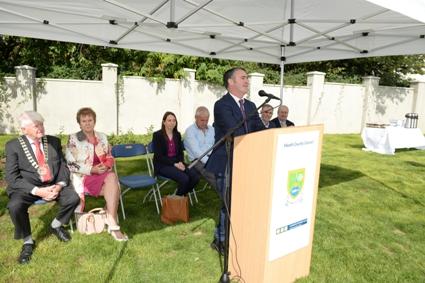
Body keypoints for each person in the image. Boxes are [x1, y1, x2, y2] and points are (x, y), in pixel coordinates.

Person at [5, 111, 80, 264]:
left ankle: (56, 225)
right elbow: (12, 178)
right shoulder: (13, 146)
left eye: (41, 124)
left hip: (52, 184)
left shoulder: (53, 141)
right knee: (14, 206)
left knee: (73, 198)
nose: (41, 128)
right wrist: (38, 191)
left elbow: (63, 168)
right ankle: (27, 242)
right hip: (28, 188)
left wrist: (58, 186)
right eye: (36, 125)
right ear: (24, 130)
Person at [205, 67, 262, 255]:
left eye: (247, 78)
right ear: (231, 82)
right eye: (243, 77)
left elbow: (260, 130)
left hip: (248, 160)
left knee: (243, 202)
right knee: (228, 203)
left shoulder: (252, 106)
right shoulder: (221, 105)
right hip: (226, 161)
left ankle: (240, 235)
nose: (247, 81)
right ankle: (220, 239)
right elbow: (236, 132)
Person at [65, 107, 128, 241]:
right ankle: (113, 224)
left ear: (94, 121)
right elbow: (71, 164)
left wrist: (106, 166)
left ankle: (111, 222)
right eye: (84, 121)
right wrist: (91, 170)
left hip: (103, 174)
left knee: (111, 178)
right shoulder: (74, 139)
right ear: (79, 123)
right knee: (114, 186)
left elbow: (110, 156)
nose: (87, 123)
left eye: (90, 120)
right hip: (84, 176)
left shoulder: (102, 137)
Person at [152, 111, 200, 196]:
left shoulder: (177, 135)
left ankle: (179, 196)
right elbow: (159, 156)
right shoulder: (157, 135)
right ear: (164, 122)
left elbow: (180, 153)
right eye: (169, 120)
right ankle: (177, 200)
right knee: (184, 178)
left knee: (195, 177)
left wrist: (181, 162)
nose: (172, 123)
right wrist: (175, 164)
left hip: (177, 163)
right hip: (163, 165)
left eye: (174, 120)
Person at [183, 106, 216, 189]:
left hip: (212, 157)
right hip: (197, 161)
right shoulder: (190, 131)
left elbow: (216, 145)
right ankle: (228, 199)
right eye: (202, 120)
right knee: (214, 176)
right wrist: (210, 163)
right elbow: (197, 152)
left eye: (207, 120)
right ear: (196, 118)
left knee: (228, 171)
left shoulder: (212, 129)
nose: (205, 123)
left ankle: (232, 195)